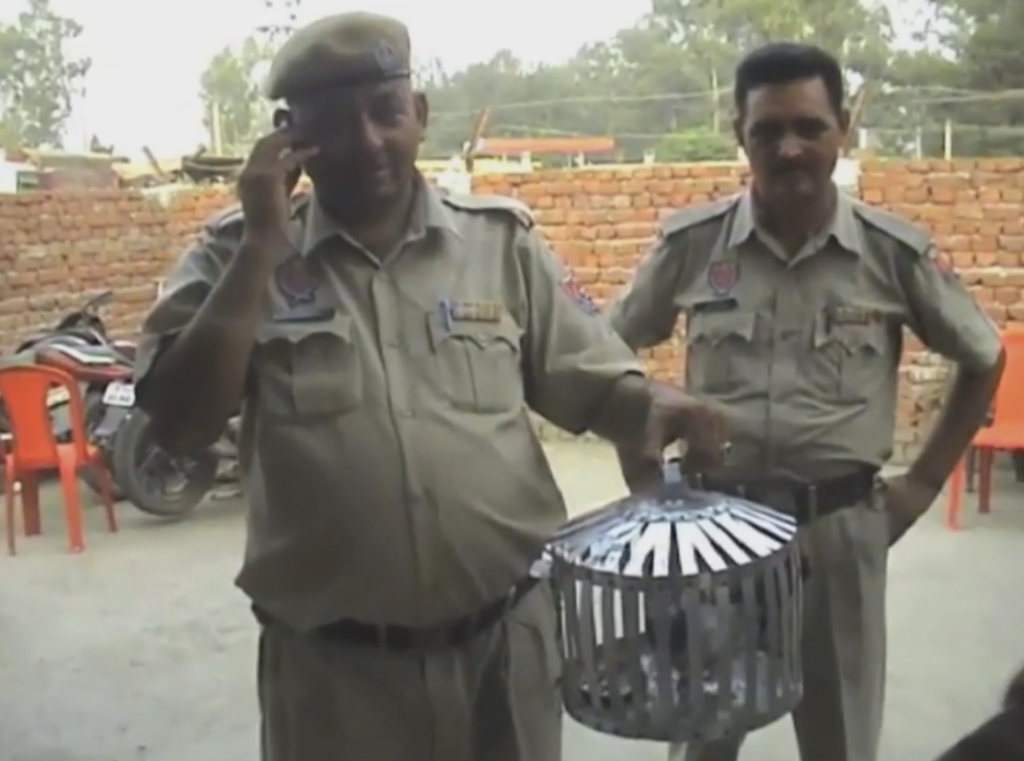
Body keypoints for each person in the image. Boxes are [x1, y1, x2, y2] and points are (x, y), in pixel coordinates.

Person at [133, 11, 727, 761]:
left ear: (418, 114)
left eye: (386, 113)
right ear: (290, 139)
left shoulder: (498, 243)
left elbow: (596, 383)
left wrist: (656, 403)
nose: (370, 141)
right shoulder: (233, 257)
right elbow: (180, 427)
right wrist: (261, 244)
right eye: (335, 124)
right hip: (335, 677)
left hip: (505, 652)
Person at [608, 42, 1005, 761]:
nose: (789, 149)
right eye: (767, 132)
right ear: (741, 134)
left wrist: (917, 486)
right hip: (716, 534)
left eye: (809, 128)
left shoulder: (889, 253)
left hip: (840, 532)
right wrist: (643, 423)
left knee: (841, 738)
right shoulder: (694, 246)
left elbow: (983, 355)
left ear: (843, 127)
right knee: (703, 732)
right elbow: (602, 350)